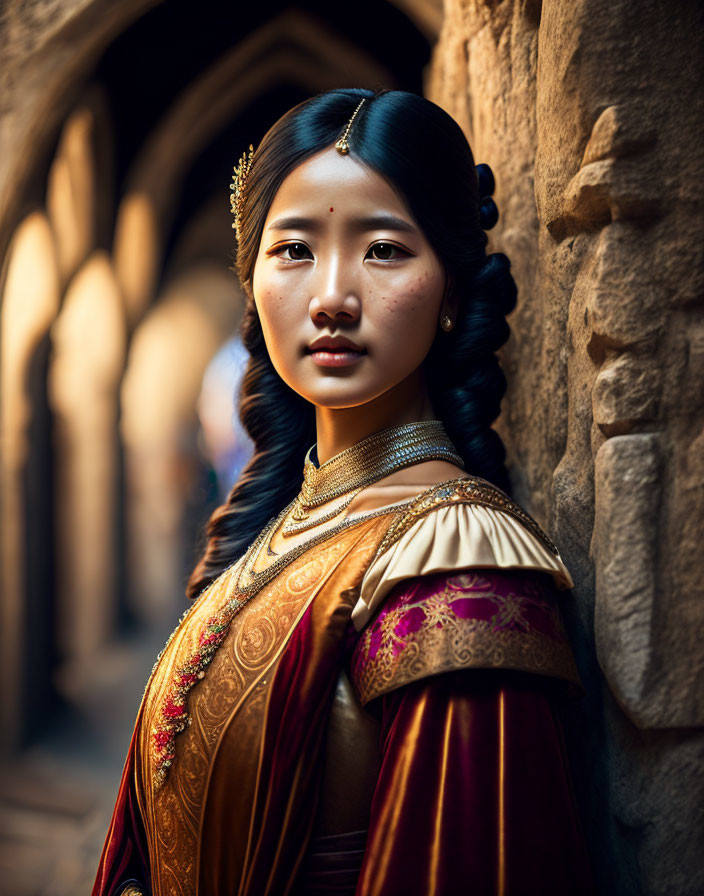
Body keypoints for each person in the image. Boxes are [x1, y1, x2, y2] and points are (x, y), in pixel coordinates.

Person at [93, 88, 596, 896]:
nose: (331, 295)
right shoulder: (292, 522)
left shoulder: (457, 561)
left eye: (385, 250)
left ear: (453, 295)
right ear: (250, 281)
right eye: (293, 250)